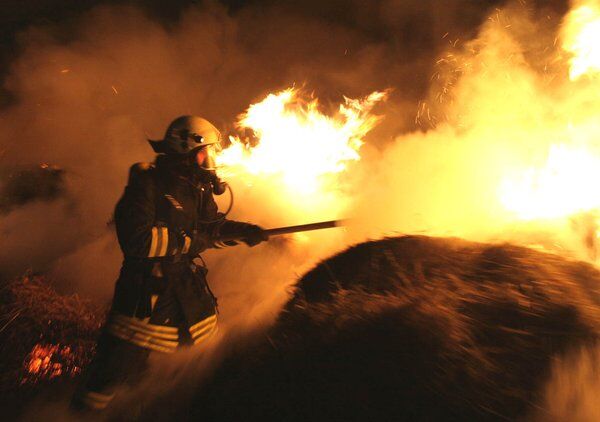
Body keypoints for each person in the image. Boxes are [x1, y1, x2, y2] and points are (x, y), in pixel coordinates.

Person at [71, 116, 267, 411]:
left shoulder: (197, 187)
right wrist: (190, 242)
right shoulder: (146, 184)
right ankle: (84, 414)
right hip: (145, 296)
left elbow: (211, 228)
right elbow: (136, 241)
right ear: (186, 149)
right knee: (115, 370)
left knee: (199, 361)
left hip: (186, 291)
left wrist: (244, 232)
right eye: (205, 151)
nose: (209, 159)